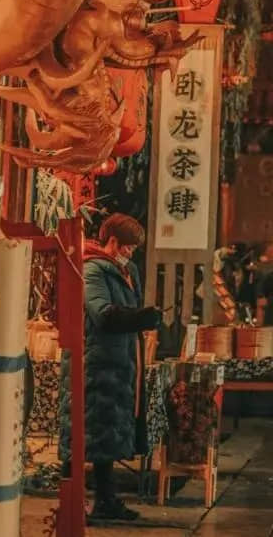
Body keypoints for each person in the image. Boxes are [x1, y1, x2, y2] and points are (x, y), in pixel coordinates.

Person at [69, 214, 161, 525]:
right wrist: (141, 319)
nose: (131, 253)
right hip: (100, 361)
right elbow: (103, 314)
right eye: (128, 247)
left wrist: (141, 318)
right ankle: (91, 501)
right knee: (95, 429)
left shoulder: (126, 270)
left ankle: (106, 499)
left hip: (121, 360)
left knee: (109, 429)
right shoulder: (93, 269)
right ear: (112, 242)